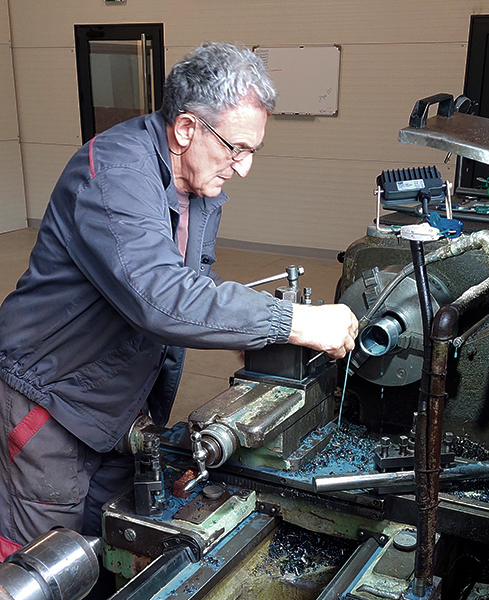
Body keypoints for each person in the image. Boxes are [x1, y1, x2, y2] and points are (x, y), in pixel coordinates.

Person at [0, 42, 358, 559]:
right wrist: (292, 321)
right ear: (187, 128)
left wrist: (248, 334)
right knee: (40, 565)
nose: (242, 168)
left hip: (119, 405)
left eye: (253, 151)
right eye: (236, 149)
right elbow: (160, 295)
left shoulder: (193, 184)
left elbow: (189, 287)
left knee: (107, 543)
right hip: (51, 401)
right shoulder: (116, 176)